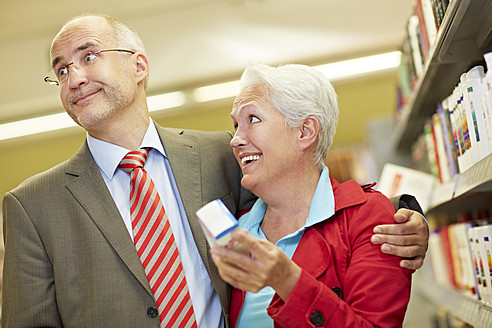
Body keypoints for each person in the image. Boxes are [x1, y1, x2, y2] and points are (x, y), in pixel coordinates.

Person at [1, 15, 427, 327]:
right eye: (60, 70)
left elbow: (306, 198)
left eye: (88, 56)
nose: (73, 77)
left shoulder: (219, 155)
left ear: (139, 65)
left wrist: (408, 216)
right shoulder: (32, 206)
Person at [211, 63, 415, 327]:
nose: (235, 139)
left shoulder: (368, 218)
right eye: (236, 124)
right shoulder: (237, 228)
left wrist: (287, 280)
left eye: (253, 119)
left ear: (305, 131)